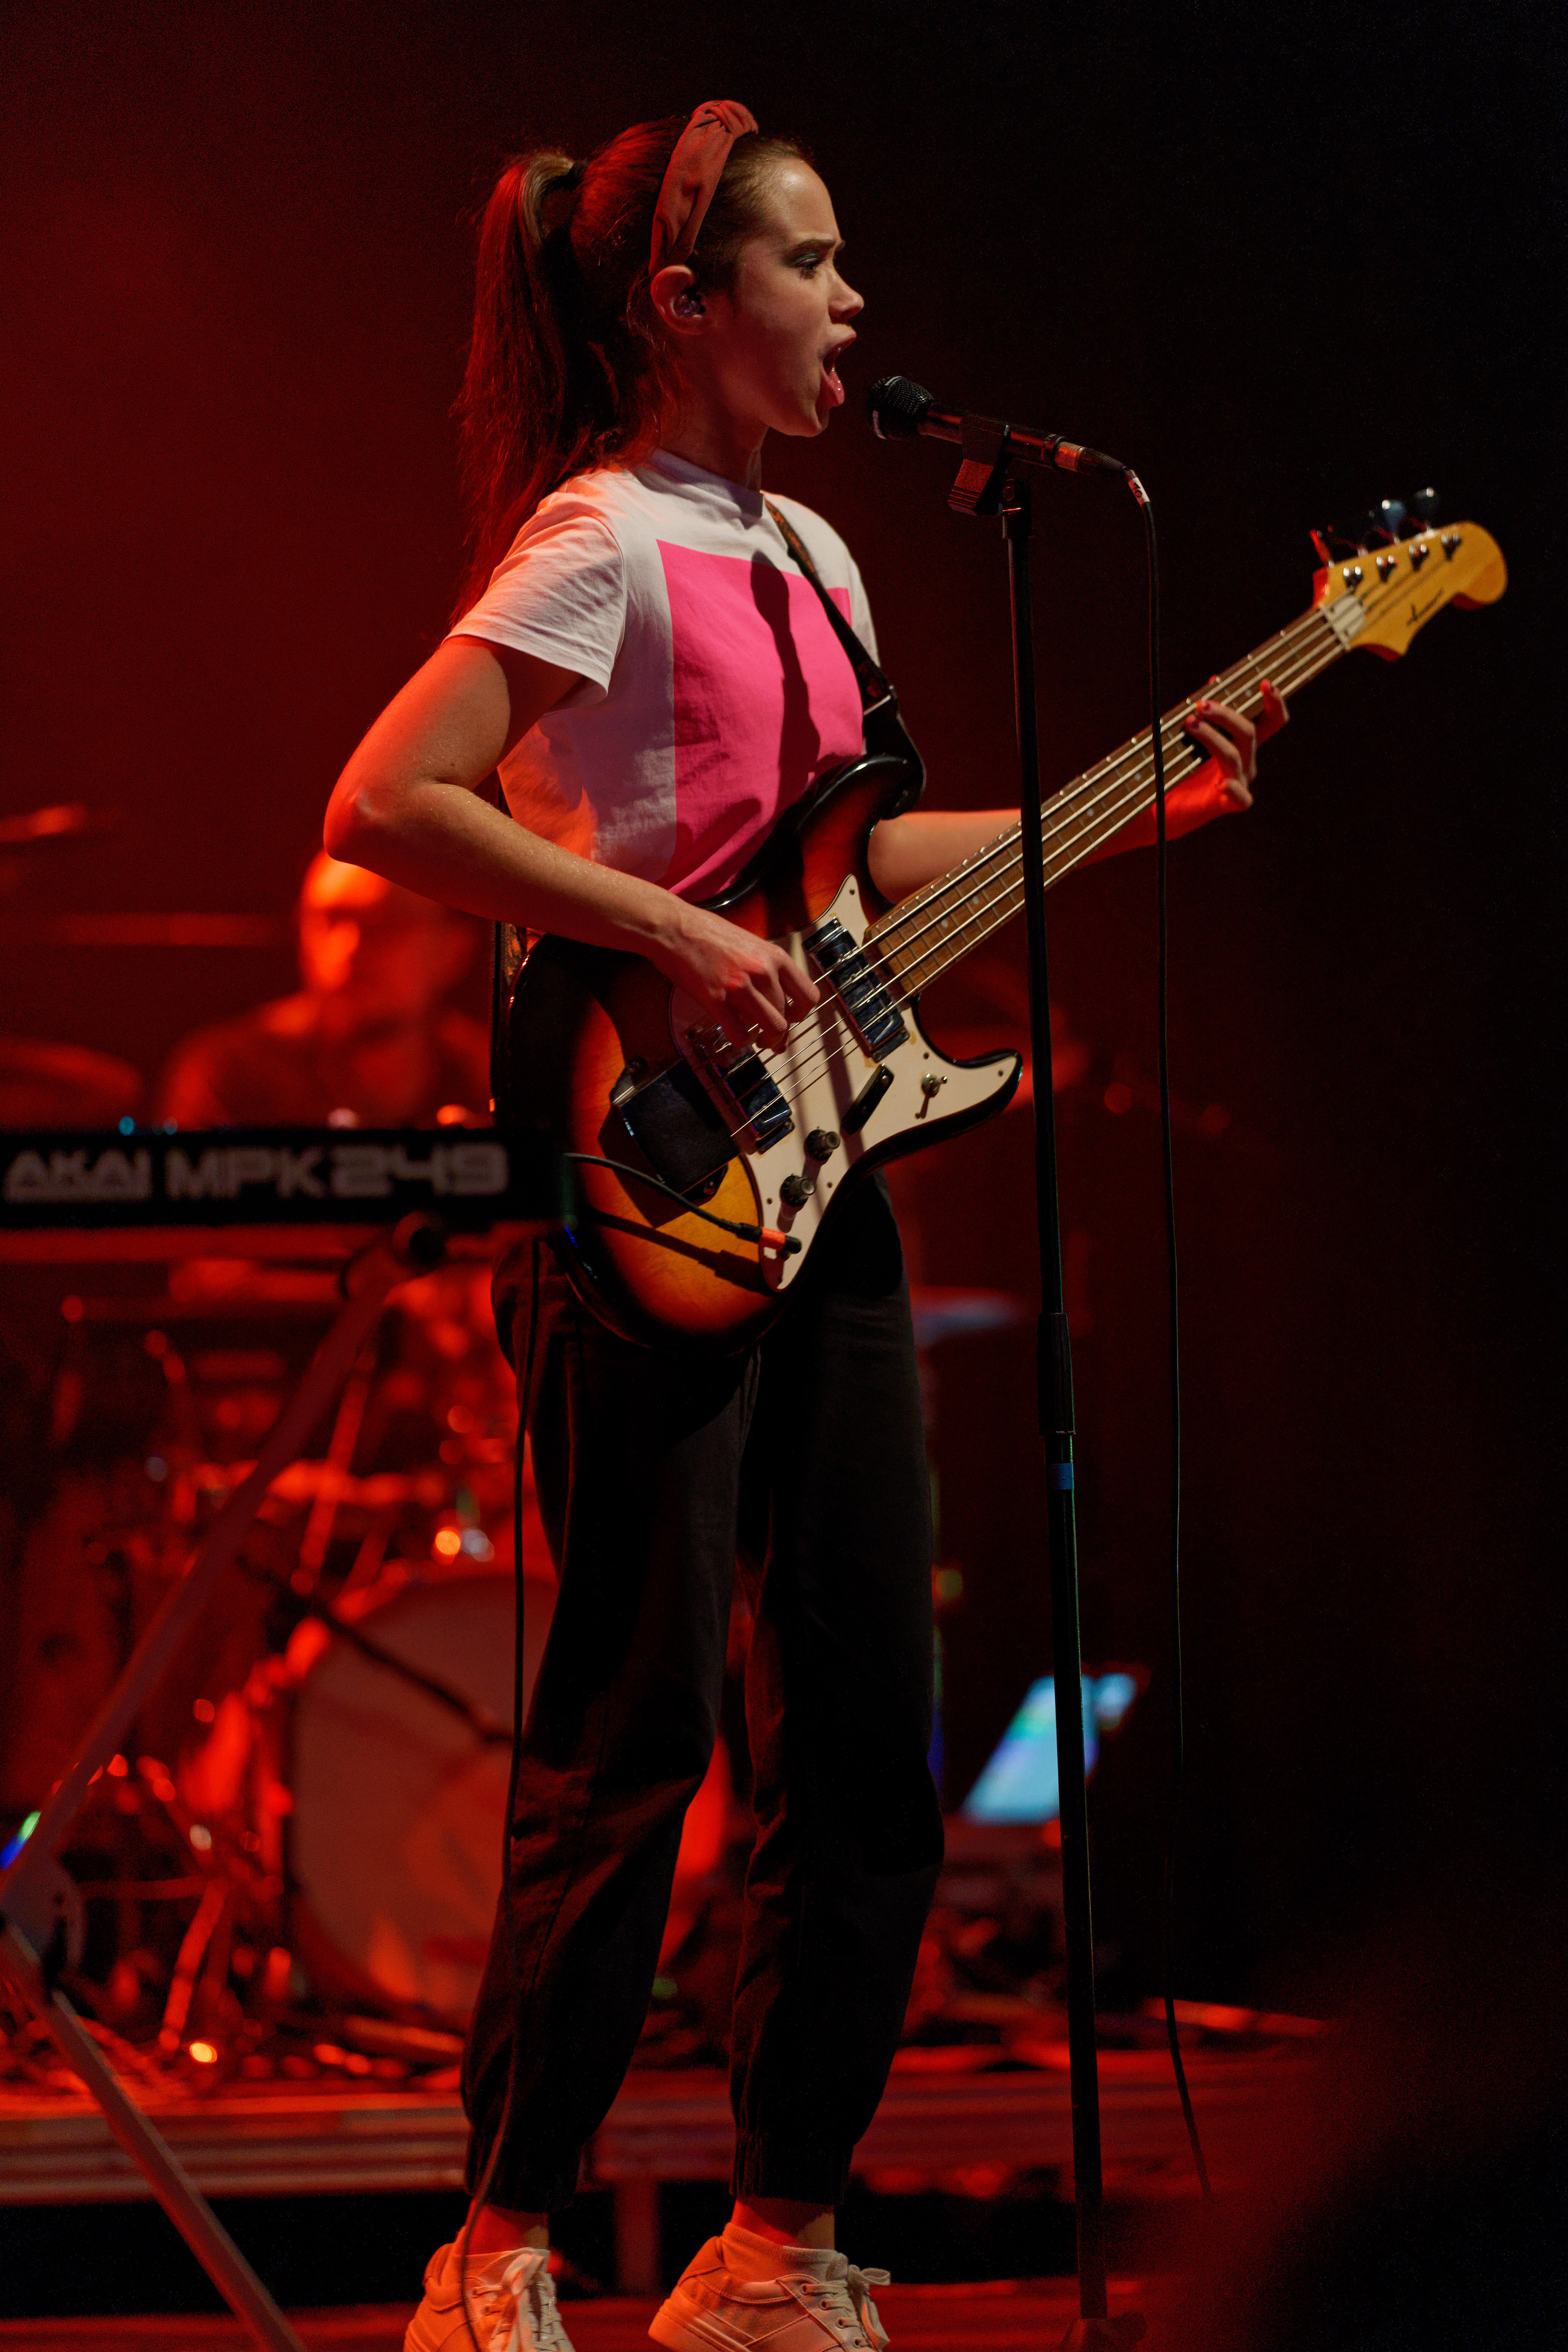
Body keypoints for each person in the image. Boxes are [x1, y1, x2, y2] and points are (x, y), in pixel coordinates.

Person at [325, 102, 1282, 2352]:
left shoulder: (823, 555)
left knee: (866, 1724)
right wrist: (660, 923)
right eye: (811, 263)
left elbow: (851, 867)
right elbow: (385, 799)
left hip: (821, 1184)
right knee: (633, 1728)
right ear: (686, 305)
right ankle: (497, 2246)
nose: (854, 302)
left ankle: (775, 2238)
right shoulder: (600, 539)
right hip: (644, 1178)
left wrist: (1132, 806)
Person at [155, 850, 489, 1129]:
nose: (349, 948)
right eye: (330, 920)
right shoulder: (230, 1073)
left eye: (384, 924)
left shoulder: (491, 1078)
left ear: (454, 950)